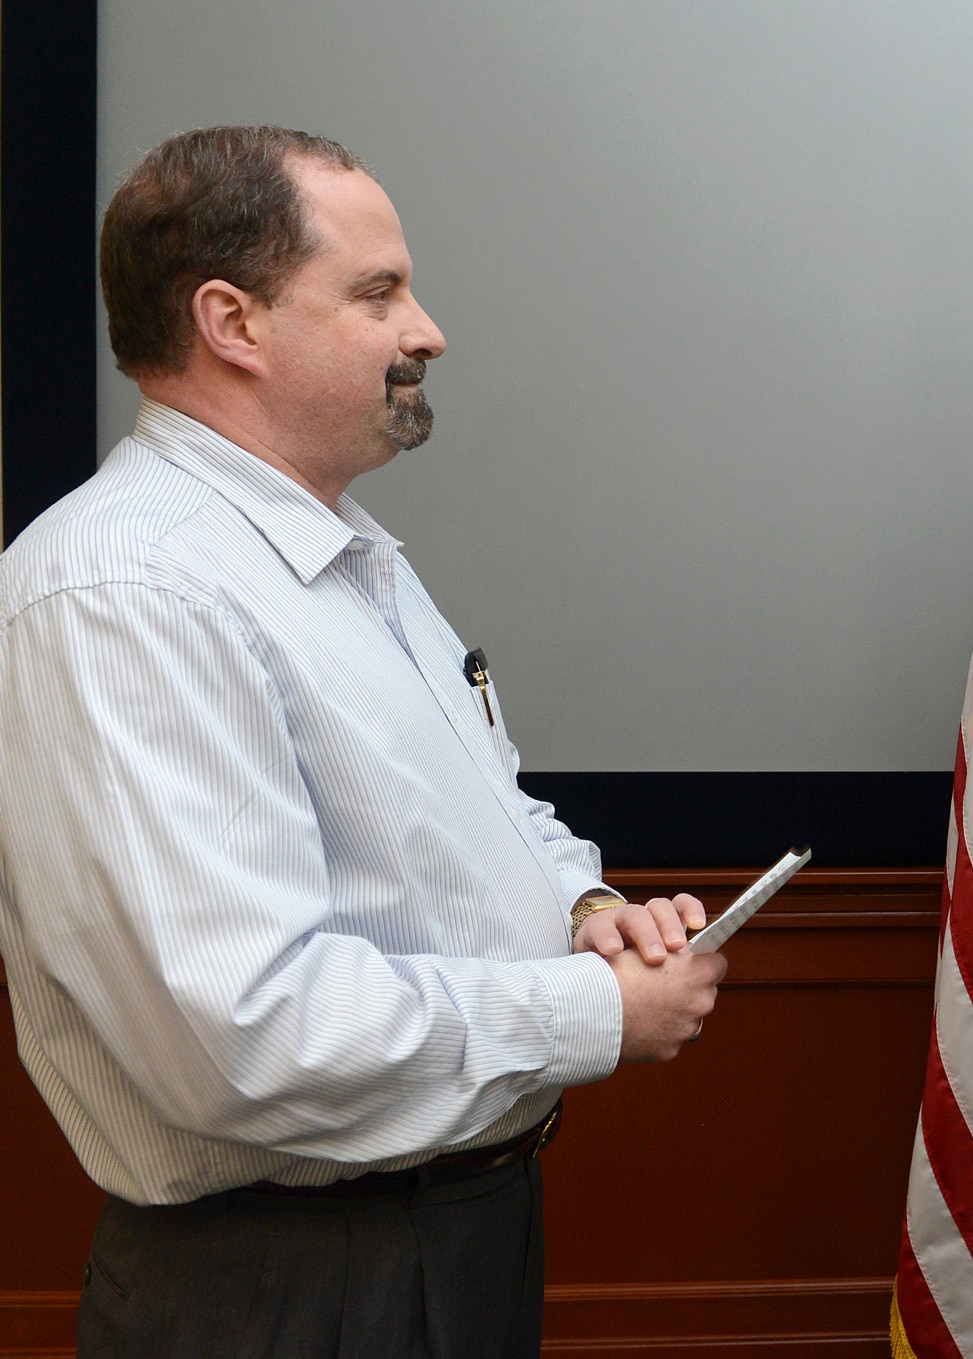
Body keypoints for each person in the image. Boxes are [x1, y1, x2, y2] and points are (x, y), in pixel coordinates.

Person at [0, 126, 724, 1358]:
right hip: (289, 1287)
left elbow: (477, 822)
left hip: (441, 1240)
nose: (425, 329)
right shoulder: (129, 593)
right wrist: (590, 1012)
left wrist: (584, 907)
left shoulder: (347, 556)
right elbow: (242, 1035)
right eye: (377, 291)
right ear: (233, 322)